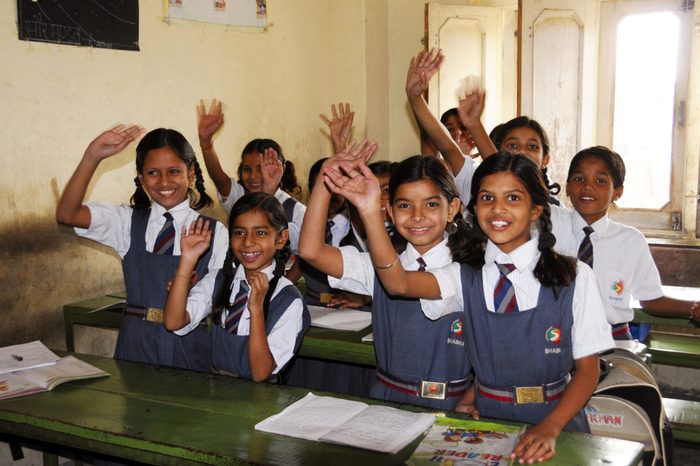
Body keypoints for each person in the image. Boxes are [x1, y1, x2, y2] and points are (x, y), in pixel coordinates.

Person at [324, 152, 614, 463]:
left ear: (536, 209)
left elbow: (587, 370)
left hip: (557, 421)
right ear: (474, 208)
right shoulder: (465, 275)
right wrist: (370, 213)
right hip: (486, 424)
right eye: (487, 198)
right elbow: (398, 283)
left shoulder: (573, 275)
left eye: (513, 197)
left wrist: (551, 427)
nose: (498, 208)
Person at [300, 141, 472, 410]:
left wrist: (370, 213)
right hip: (384, 400)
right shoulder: (376, 266)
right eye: (404, 206)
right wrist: (326, 177)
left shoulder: (464, 272)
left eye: (430, 204)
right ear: (390, 211)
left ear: (452, 209)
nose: (417, 216)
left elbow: (399, 283)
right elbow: (311, 251)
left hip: (446, 404)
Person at [56, 126, 228, 371]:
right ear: (141, 177)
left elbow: (212, 292)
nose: (164, 181)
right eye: (153, 173)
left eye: (174, 171)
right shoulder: (127, 222)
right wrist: (92, 155)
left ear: (190, 173)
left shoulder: (215, 232)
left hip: (189, 344)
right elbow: (67, 213)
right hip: (135, 344)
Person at [165, 192, 310, 381]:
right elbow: (174, 322)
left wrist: (256, 310)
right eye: (239, 232)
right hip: (217, 395)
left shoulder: (289, 301)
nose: (248, 242)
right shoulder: (219, 279)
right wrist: (187, 260)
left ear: (281, 239)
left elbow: (260, 373)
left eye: (260, 233)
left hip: (261, 402)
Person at [564, 146, 700, 338]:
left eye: (601, 181)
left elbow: (651, 300)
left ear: (617, 193)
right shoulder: (550, 228)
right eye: (579, 179)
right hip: (557, 337)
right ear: (568, 187)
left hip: (612, 340)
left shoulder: (631, 241)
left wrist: (693, 307)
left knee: (626, 370)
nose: (588, 186)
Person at [197, 99, 306, 253]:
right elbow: (218, 178)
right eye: (247, 169)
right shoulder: (241, 197)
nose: (253, 176)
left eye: (261, 169)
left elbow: (304, 253)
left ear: (279, 169)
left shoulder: (298, 211)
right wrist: (206, 144)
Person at [406, 48, 496, 207]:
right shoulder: (439, 166)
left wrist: (474, 123)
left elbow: (499, 171)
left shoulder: (473, 174)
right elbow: (442, 145)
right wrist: (415, 98)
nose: (457, 134)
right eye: (449, 129)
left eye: (463, 128)